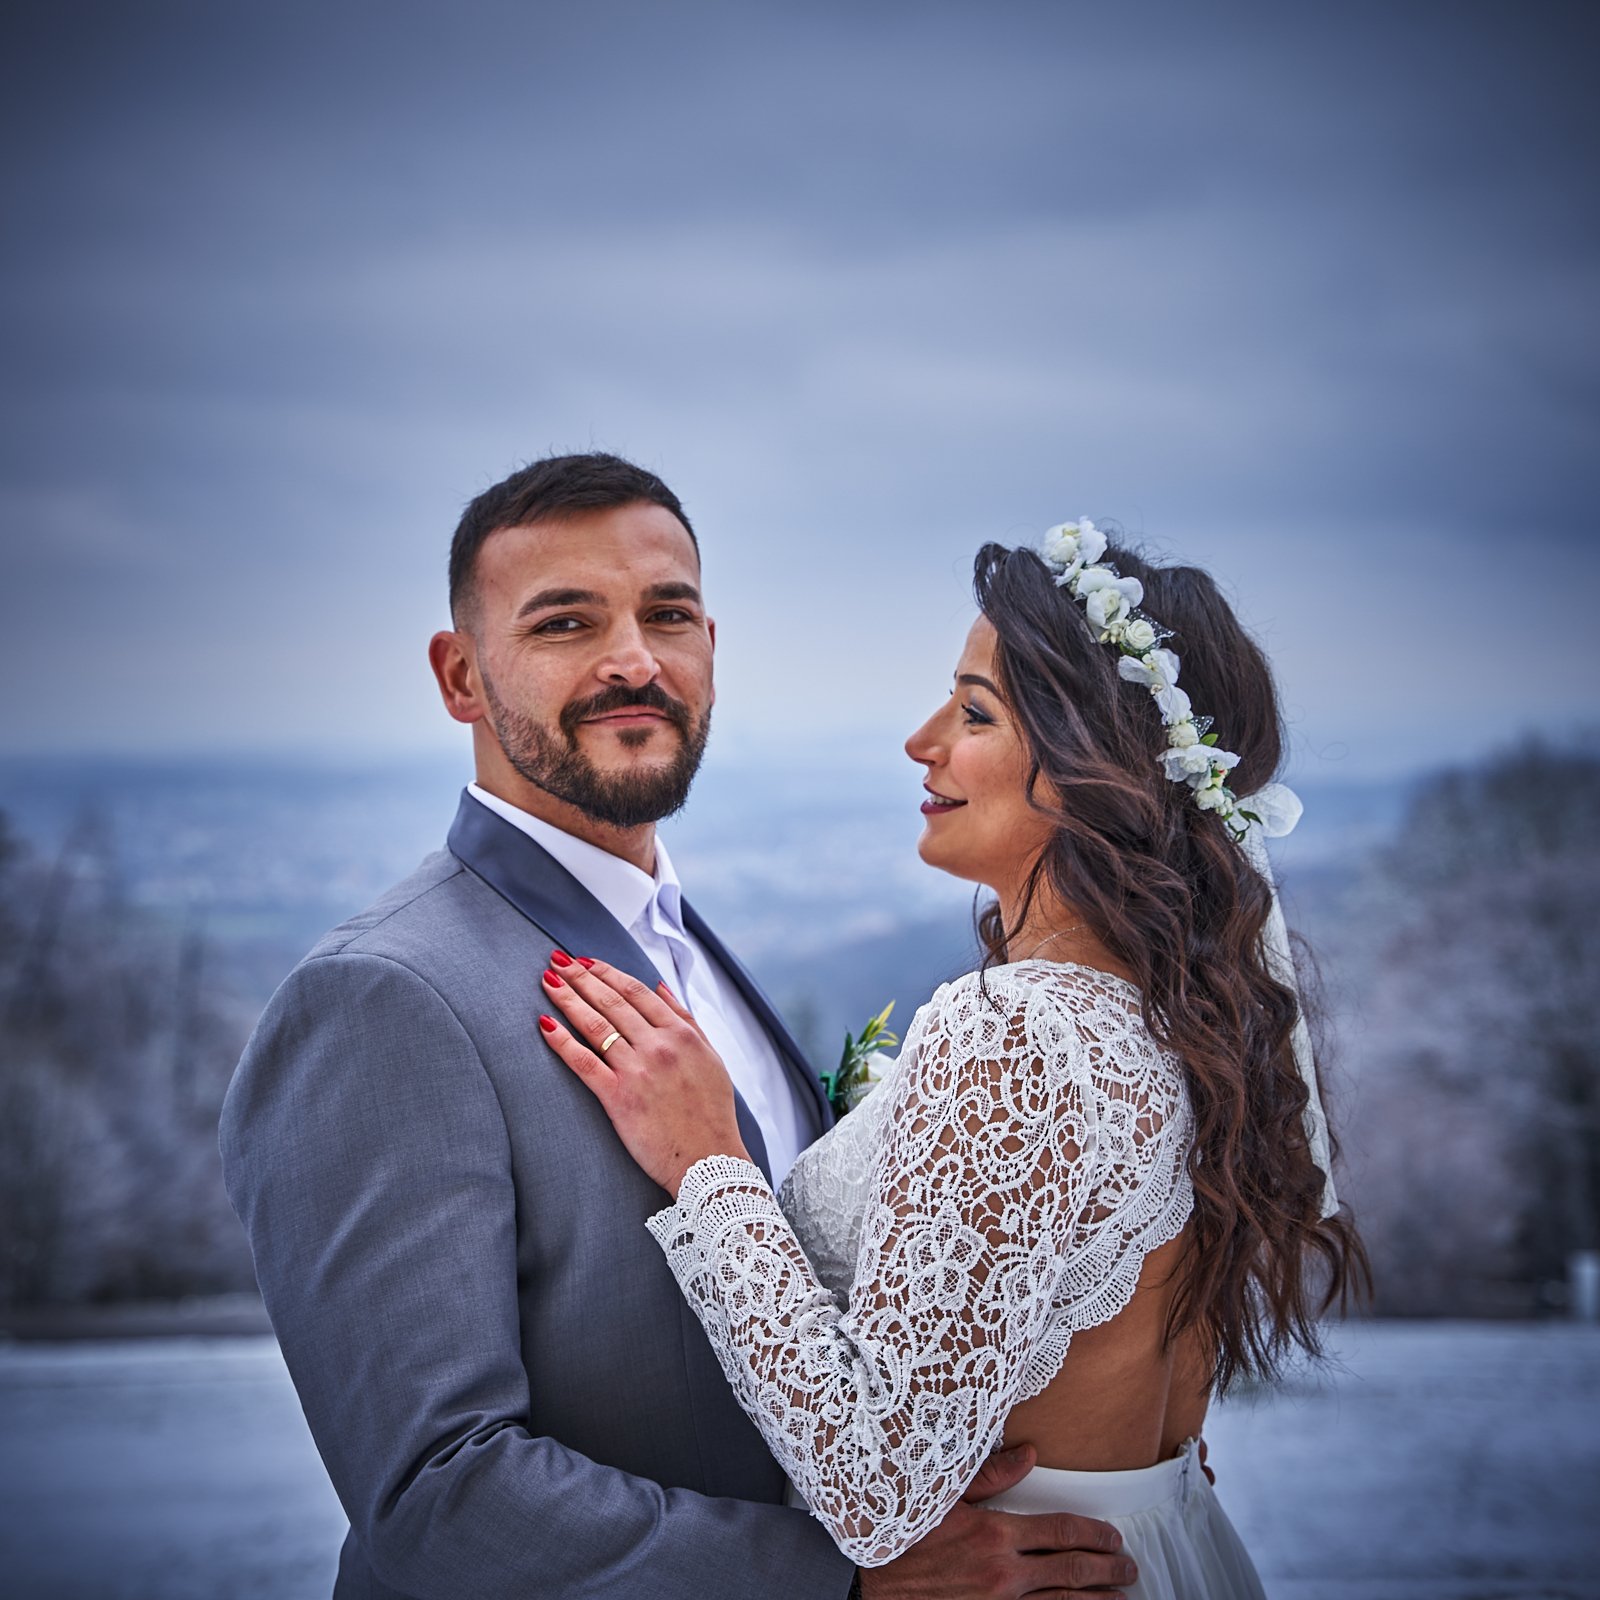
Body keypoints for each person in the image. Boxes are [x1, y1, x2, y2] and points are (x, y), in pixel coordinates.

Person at [220, 455, 1139, 1600]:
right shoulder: (381, 1000)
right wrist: (839, 1582)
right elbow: (434, 1499)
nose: (633, 661)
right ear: (460, 677)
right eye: (564, 622)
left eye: (667, 615)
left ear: (712, 647)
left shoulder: (698, 948)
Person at [536, 520, 1370, 1596]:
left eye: (973, 712)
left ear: (1088, 767)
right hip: (1160, 1546)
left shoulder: (1014, 1035)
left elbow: (878, 1490)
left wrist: (709, 1163)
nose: (921, 739)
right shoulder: (1184, 1028)